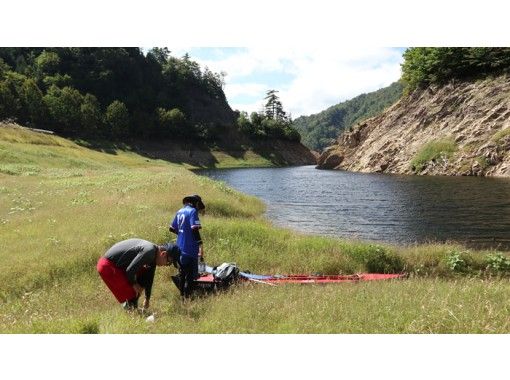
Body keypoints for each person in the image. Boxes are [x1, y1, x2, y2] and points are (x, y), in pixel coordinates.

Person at [97, 238, 180, 310]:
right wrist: (134, 284)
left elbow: (149, 277)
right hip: (107, 266)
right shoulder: (149, 252)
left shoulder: (154, 254)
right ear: (163, 254)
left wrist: (147, 298)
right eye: (169, 262)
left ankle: (132, 306)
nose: (167, 265)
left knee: (145, 275)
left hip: (116, 266)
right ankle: (131, 309)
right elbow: (130, 270)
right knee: (133, 291)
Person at [169, 194, 205, 298]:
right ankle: (188, 298)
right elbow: (194, 229)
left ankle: (182, 296)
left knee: (182, 274)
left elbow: (172, 228)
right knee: (191, 276)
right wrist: (200, 243)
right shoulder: (192, 211)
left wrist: (182, 234)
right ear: (195, 203)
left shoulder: (180, 211)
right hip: (191, 249)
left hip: (179, 248)